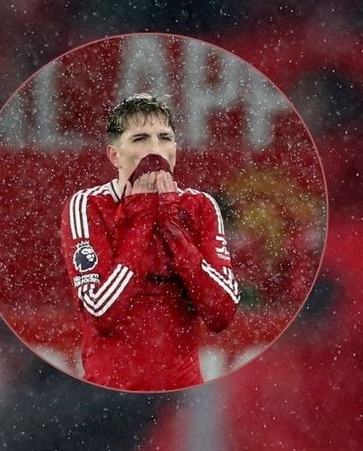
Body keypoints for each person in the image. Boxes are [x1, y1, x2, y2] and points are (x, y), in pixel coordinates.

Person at [59, 93, 239, 392]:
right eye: (140, 138)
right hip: (110, 399)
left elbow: (221, 313)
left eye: (164, 138)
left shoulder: (200, 206)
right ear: (114, 155)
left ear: (175, 149)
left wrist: (171, 226)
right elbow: (102, 314)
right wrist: (142, 223)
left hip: (182, 397)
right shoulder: (89, 206)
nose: (155, 149)